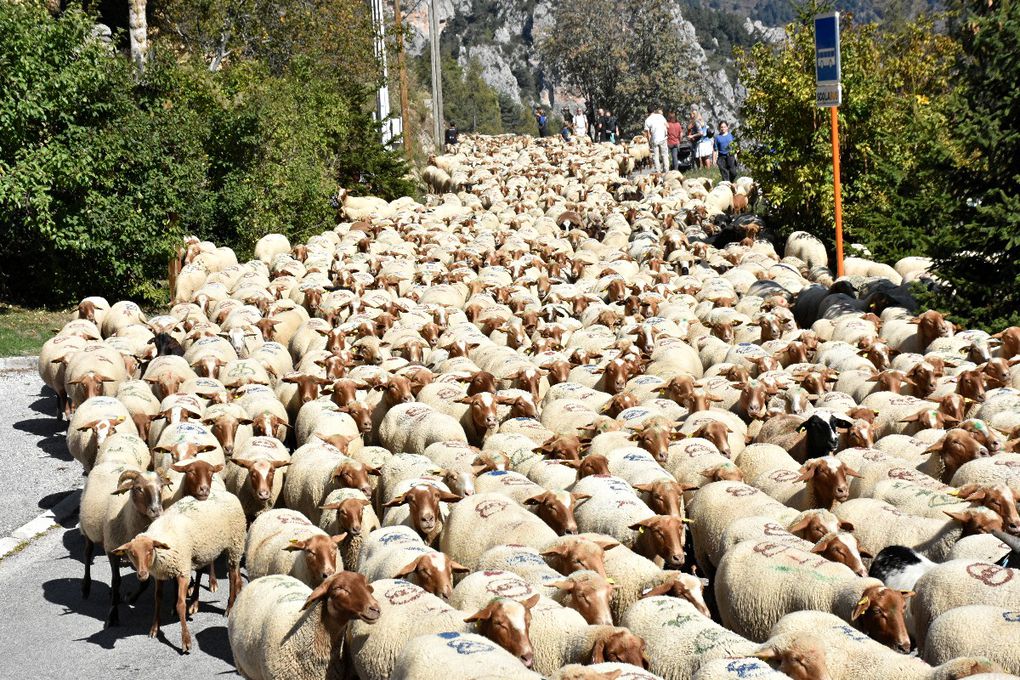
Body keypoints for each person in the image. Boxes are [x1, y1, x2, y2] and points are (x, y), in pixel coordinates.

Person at [643, 105, 669, 173]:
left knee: (656, 157)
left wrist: (649, 143)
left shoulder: (647, 120)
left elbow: (647, 134)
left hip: (655, 140)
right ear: (654, 110)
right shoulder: (660, 116)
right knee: (665, 155)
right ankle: (666, 171)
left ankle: (658, 171)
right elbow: (667, 126)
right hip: (663, 138)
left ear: (648, 112)